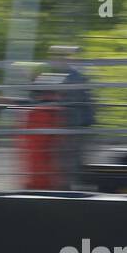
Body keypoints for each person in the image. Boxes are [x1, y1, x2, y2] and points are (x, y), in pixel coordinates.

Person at [48, 46, 95, 189]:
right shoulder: (70, 75)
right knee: (70, 155)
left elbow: (69, 99)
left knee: (69, 155)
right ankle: (71, 184)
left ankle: (71, 186)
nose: (52, 61)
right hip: (74, 121)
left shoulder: (71, 76)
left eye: (54, 58)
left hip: (73, 121)